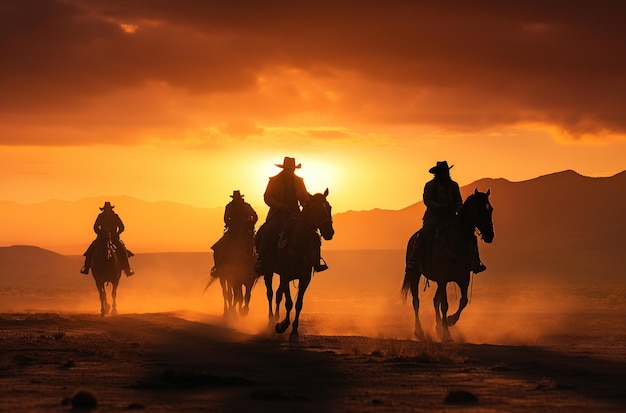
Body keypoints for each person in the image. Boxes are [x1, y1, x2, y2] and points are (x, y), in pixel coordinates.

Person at [409, 161, 486, 274]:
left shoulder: (453, 185)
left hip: (450, 216)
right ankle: (414, 260)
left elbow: (459, 200)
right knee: (424, 233)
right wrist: (441, 207)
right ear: (438, 173)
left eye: (446, 171)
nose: (445, 174)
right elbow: (427, 201)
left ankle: (476, 261)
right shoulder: (430, 185)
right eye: (443, 172)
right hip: (433, 216)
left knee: (470, 235)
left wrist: (458, 209)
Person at [254, 156, 327, 274]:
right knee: (268, 230)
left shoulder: (299, 181)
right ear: (284, 169)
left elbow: (303, 197)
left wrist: (306, 204)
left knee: (313, 233)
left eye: (292, 169)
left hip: (295, 212)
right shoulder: (274, 180)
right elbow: (267, 197)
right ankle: (262, 260)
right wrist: (280, 205)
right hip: (277, 213)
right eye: (288, 169)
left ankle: (316, 261)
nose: (290, 171)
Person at [211, 190, 258, 277]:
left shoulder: (245, 206)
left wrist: (250, 225)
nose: (237, 200)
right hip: (233, 231)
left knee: (257, 245)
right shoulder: (230, 206)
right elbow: (226, 219)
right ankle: (219, 268)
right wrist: (232, 225)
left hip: (245, 231)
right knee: (218, 248)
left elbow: (255, 216)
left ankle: (259, 266)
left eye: (237, 198)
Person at [80, 201, 135, 276]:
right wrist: (100, 233)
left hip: (114, 238)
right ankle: (86, 268)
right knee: (90, 249)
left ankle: (127, 269)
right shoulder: (100, 216)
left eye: (108, 208)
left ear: (110, 209)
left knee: (122, 250)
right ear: (104, 209)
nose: (107, 210)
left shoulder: (115, 216)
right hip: (102, 238)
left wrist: (117, 233)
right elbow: (95, 227)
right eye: (106, 209)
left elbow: (122, 227)